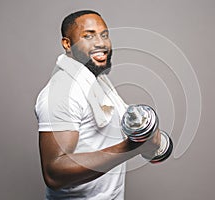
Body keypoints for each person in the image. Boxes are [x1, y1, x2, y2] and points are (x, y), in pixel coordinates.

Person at [35, 10, 161, 200]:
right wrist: (132, 147)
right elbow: (55, 173)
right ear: (67, 44)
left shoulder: (98, 84)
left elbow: (124, 130)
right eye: (88, 36)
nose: (101, 43)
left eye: (104, 35)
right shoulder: (61, 93)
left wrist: (147, 137)